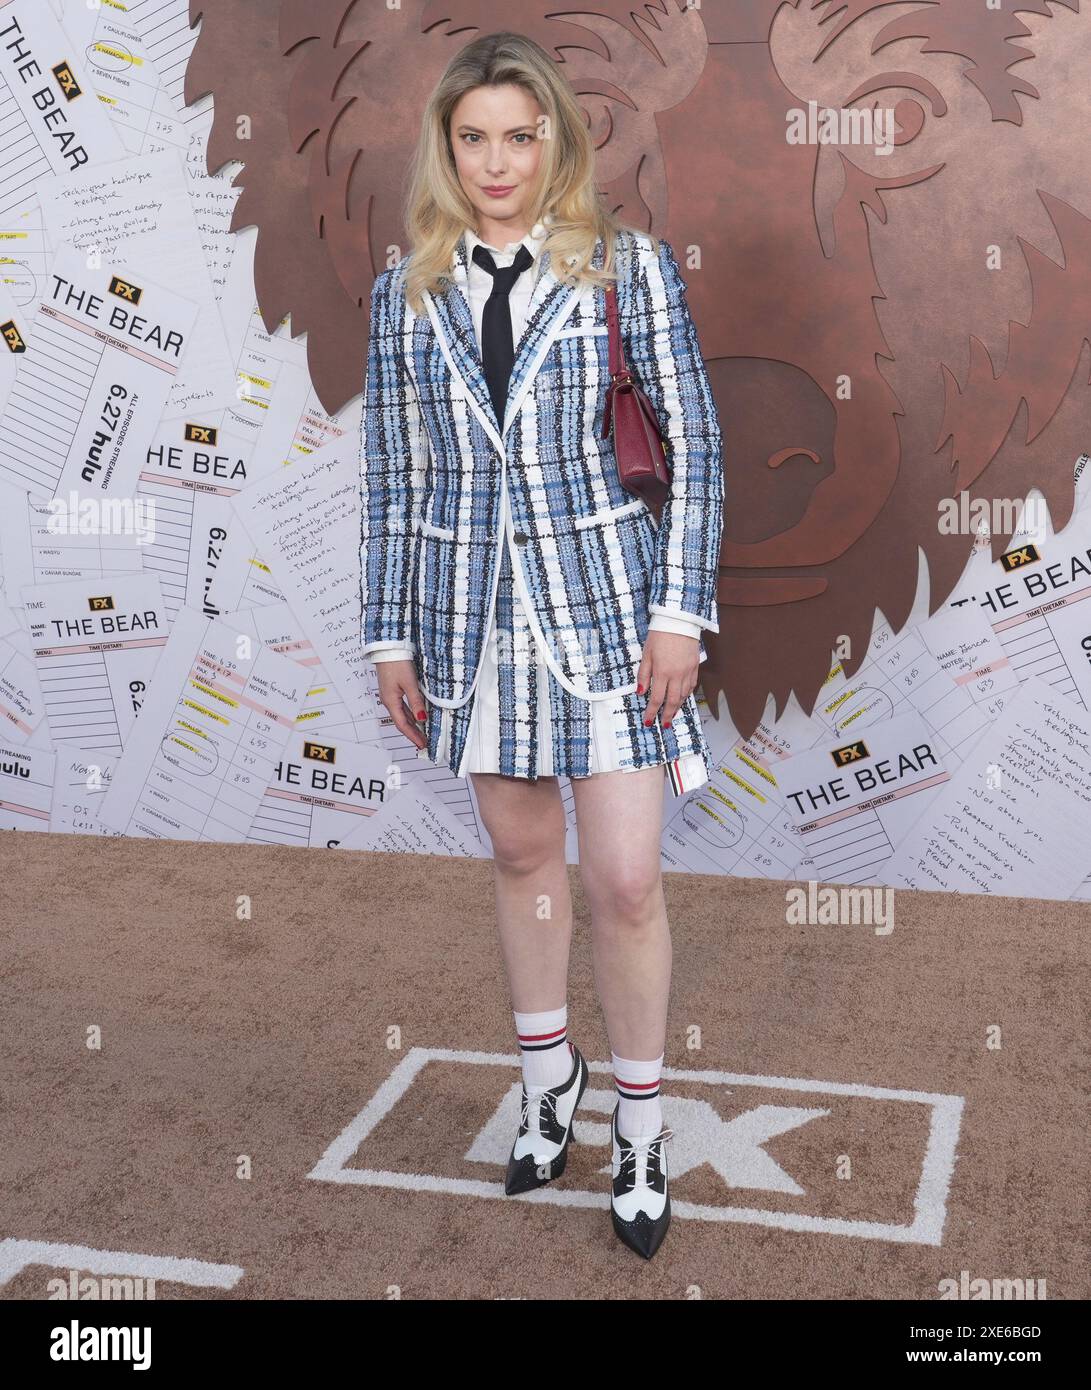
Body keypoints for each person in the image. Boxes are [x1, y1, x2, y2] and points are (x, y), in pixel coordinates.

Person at [359, 31, 724, 1260]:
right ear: (445, 149)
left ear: (556, 142)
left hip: (612, 622)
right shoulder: (402, 290)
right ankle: (543, 1083)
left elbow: (697, 451)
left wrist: (678, 615)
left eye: (521, 136)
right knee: (523, 862)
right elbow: (391, 477)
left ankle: (639, 1127)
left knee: (622, 878)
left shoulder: (626, 270)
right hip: (469, 626)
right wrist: (390, 636)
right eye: (473, 138)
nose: (497, 161)